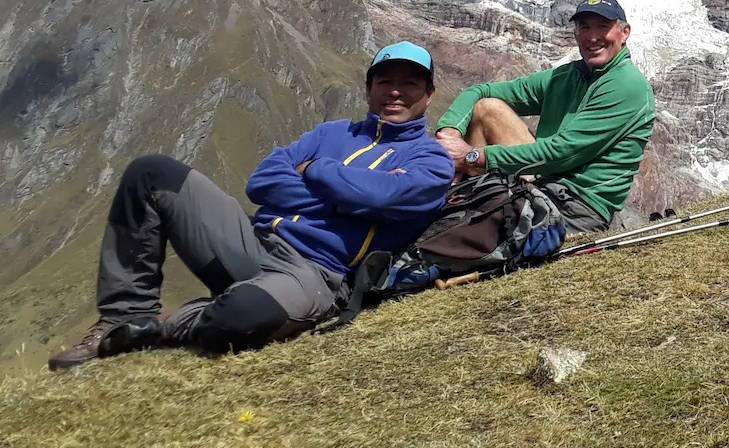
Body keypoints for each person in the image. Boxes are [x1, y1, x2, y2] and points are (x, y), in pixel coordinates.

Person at [49, 43, 453, 369]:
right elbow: (263, 181)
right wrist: (346, 202)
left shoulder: (431, 159)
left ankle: (162, 327)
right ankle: (121, 315)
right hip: (253, 240)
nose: (396, 91)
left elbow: (383, 196)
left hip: (317, 271)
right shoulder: (331, 131)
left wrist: (315, 169)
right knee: (152, 173)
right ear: (369, 89)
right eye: (385, 80)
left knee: (241, 317)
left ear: (429, 94)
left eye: (411, 83)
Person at [433, 0, 655, 234]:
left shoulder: (626, 84)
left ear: (624, 33)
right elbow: (480, 91)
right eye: (584, 27)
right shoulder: (568, 76)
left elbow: (563, 152)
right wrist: (450, 134)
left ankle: (452, 208)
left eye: (603, 26)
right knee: (486, 107)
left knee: (460, 233)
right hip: (544, 184)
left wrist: (472, 157)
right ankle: (455, 201)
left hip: (577, 208)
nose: (592, 36)